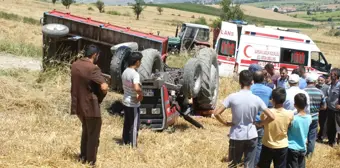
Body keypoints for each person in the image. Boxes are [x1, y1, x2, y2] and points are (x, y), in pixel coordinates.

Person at [213, 70, 275, 168]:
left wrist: (225, 123)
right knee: (249, 164)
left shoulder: (232, 97)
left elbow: (216, 113)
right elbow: (272, 116)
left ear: (239, 82)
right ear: (252, 82)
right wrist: (261, 123)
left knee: (233, 164)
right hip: (251, 134)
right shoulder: (256, 99)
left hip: (236, 135)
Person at [70, 44, 109, 166]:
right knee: (93, 135)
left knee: (86, 131)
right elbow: (104, 86)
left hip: (78, 104)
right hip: (90, 106)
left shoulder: (75, 65)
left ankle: (83, 156)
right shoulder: (93, 68)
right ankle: (90, 161)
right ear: (94, 55)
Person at [257, 87, 293, 168]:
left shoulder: (266, 113)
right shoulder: (290, 114)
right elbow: (289, 125)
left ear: (272, 99)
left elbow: (263, 124)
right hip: (282, 145)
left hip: (267, 144)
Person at [250, 70, 273, 165]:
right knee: (259, 144)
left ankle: (248, 163)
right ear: (263, 79)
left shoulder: (249, 89)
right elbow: (271, 105)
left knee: (248, 143)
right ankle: (255, 164)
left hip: (249, 120)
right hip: (262, 121)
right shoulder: (269, 90)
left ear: (253, 79)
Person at [121, 51, 144, 148]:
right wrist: (141, 94)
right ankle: (133, 145)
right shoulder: (135, 74)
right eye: (140, 61)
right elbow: (136, 87)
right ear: (137, 62)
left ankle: (125, 141)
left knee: (127, 123)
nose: (141, 63)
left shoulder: (125, 71)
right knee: (134, 125)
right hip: (133, 103)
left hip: (125, 101)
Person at [303, 73, 326, 157]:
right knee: (312, 136)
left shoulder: (303, 91)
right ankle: (309, 154)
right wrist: (316, 109)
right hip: (315, 117)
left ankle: (302, 152)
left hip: (304, 116)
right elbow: (324, 107)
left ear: (307, 81)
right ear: (315, 82)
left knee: (303, 135)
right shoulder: (320, 92)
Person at [287, 93, 312, 168]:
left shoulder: (293, 119)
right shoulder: (309, 118)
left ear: (295, 105)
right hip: (303, 147)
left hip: (292, 147)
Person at [326, 68, 340, 147]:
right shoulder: (331, 84)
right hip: (330, 108)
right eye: (331, 74)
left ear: (337, 75)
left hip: (336, 110)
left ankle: (337, 142)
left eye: (333, 74)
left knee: (337, 126)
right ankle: (330, 141)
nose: (331, 75)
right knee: (330, 126)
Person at [316, 75, 330, 142]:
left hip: (323, 107)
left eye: (321, 80)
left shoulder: (327, 87)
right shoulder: (316, 86)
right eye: (319, 80)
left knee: (323, 122)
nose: (320, 81)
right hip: (316, 106)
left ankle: (322, 135)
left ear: (324, 80)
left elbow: (328, 96)